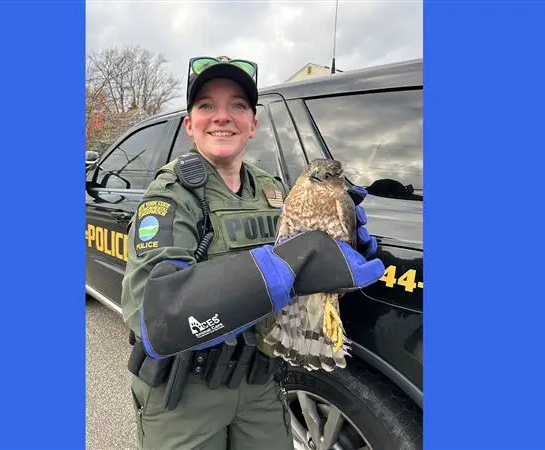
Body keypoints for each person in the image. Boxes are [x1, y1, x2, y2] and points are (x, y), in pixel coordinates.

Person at [120, 55, 385, 450]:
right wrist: (281, 266)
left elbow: (311, 266)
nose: (222, 116)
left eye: (238, 105)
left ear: (253, 124)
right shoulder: (170, 196)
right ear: (189, 125)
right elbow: (156, 316)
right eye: (206, 105)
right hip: (187, 396)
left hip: (263, 381)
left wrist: (343, 242)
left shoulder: (274, 189)